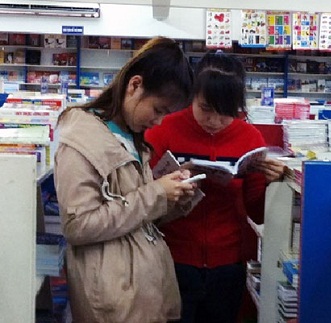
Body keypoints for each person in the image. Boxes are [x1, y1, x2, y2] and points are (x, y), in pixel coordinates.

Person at [54, 36, 197, 323]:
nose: (158, 122)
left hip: (142, 294)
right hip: (113, 300)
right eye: (158, 110)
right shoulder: (82, 138)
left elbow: (134, 217)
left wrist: (174, 198)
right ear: (134, 85)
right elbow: (78, 225)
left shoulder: (130, 137)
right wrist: (157, 193)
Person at [145, 50, 285, 323]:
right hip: (171, 259)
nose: (214, 121)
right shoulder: (163, 129)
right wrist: (166, 185)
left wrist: (273, 183)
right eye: (206, 108)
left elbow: (256, 212)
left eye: (226, 113)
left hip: (228, 264)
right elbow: (141, 195)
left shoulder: (250, 137)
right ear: (192, 96)